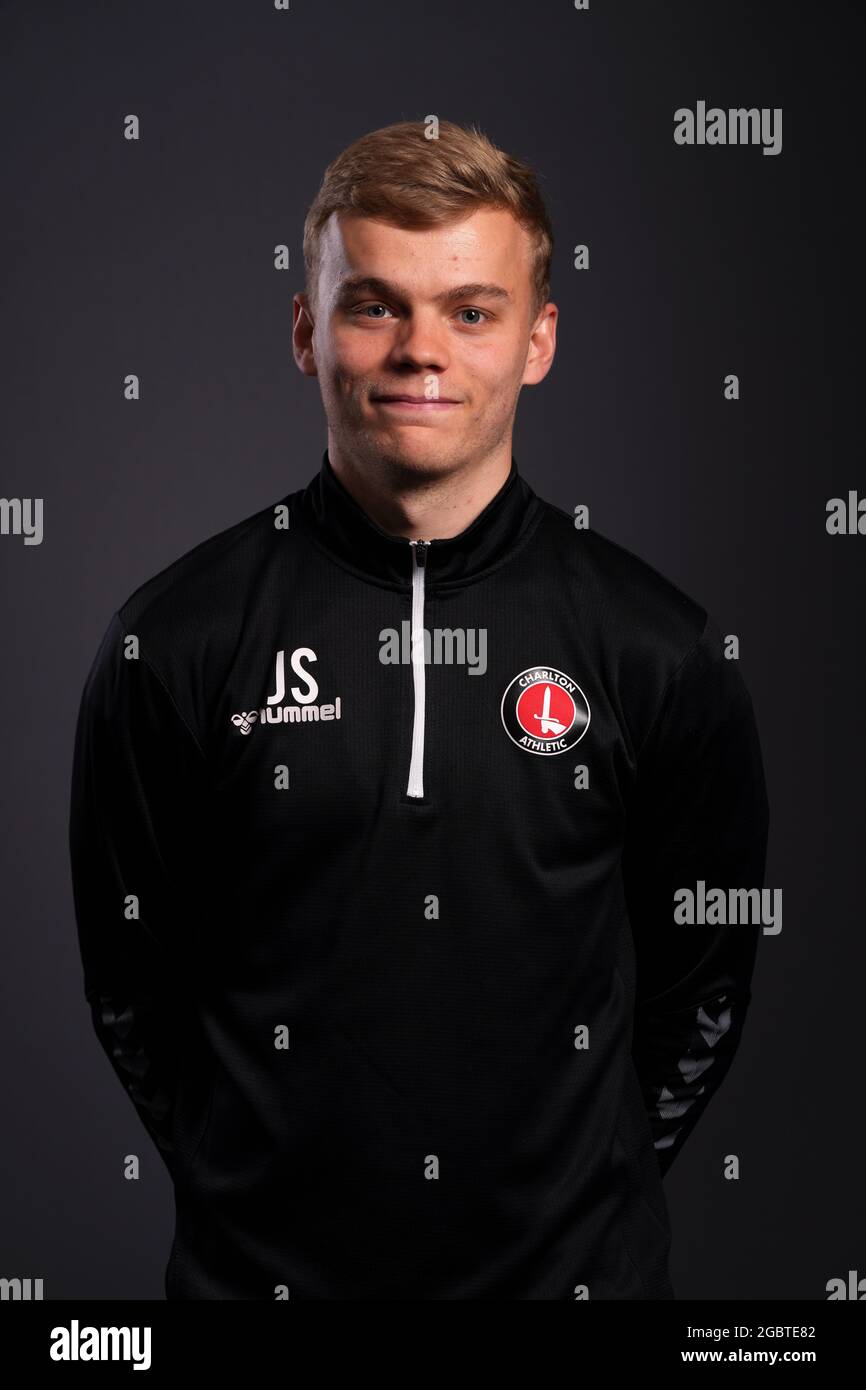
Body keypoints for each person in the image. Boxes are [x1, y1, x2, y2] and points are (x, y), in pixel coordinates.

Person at [68, 118, 770, 1300]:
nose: (419, 351)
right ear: (307, 331)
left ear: (537, 340)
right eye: (374, 305)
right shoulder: (174, 640)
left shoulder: (659, 647)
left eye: (471, 310)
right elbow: (132, 984)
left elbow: (701, 984)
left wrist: (569, 1207)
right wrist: (256, 1196)